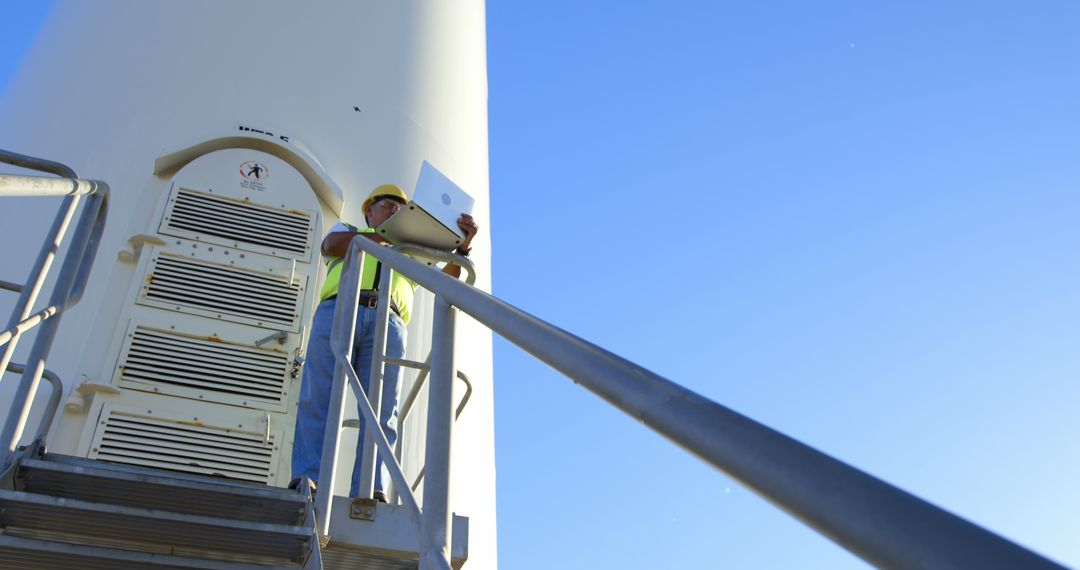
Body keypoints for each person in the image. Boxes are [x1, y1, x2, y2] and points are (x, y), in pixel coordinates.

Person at [291, 183, 478, 501]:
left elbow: (447, 278)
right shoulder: (350, 231)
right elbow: (331, 245)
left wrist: (463, 248)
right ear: (369, 210)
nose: (395, 210)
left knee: (381, 412)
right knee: (318, 396)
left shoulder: (414, 252)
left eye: (401, 208)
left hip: (389, 322)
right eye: (388, 204)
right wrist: (384, 237)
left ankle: (367, 489)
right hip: (339, 309)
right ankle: (308, 480)